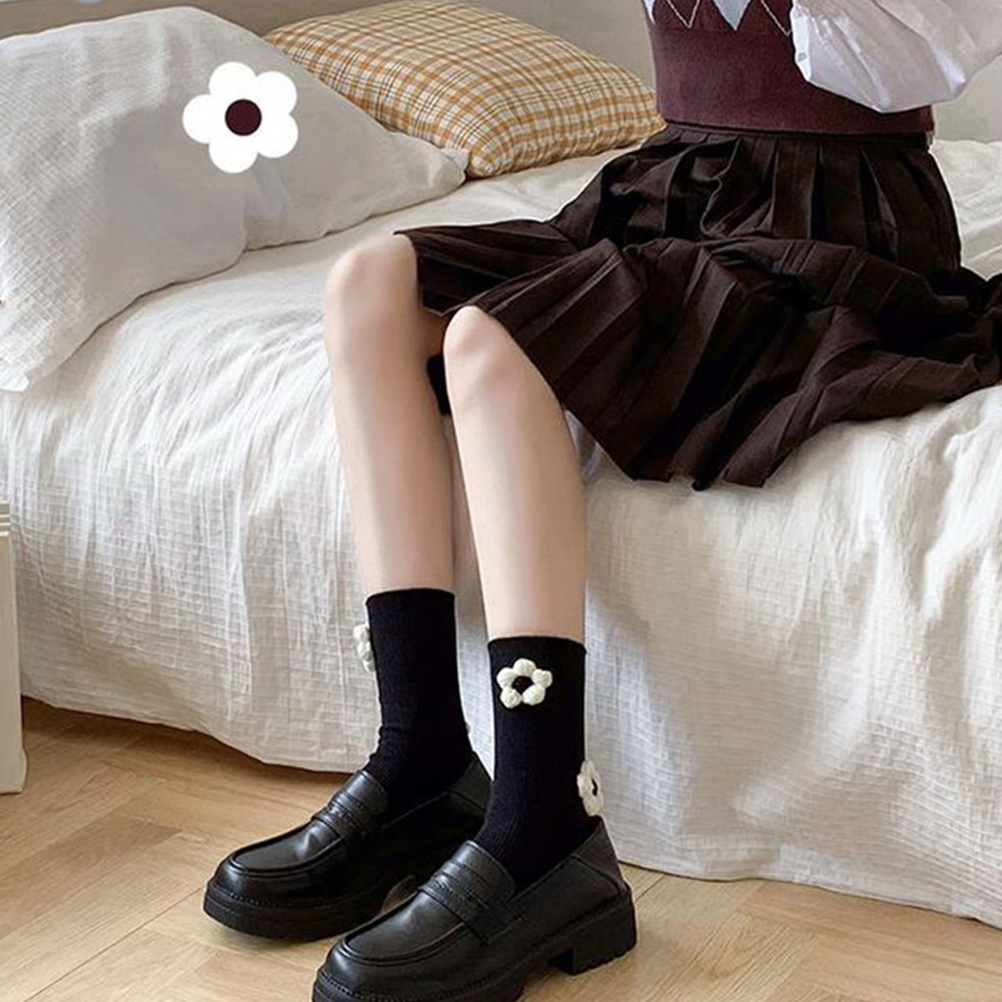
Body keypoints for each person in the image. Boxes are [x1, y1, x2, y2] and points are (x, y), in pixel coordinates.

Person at [202, 3, 1002, 1001]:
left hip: (831, 209)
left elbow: (912, 64)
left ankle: (546, 820)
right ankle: (420, 760)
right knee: (371, 285)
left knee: (496, 343)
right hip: (680, 184)